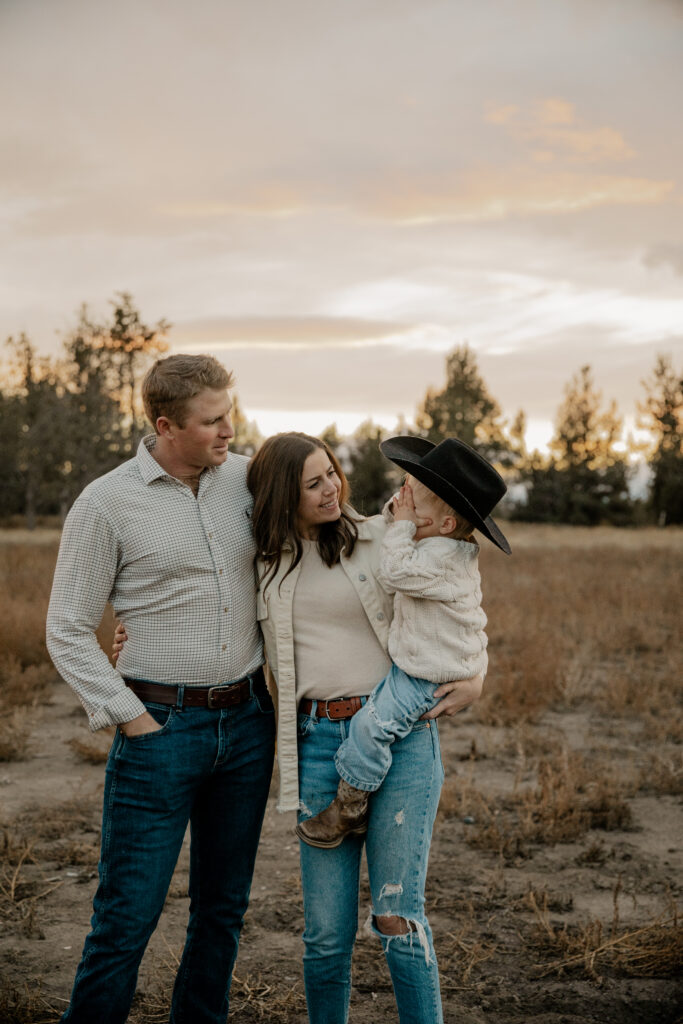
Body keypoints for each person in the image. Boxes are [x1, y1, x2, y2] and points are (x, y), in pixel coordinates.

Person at [46, 354, 275, 1024]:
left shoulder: (247, 479)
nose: (228, 430)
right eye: (212, 422)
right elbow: (65, 627)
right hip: (159, 731)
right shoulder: (106, 502)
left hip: (246, 724)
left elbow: (318, 542)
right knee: (125, 920)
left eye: (230, 414)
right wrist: (130, 717)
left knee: (223, 912)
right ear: (164, 424)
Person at [245, 431, 485, 1024]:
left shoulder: (382, 539)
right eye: (313, 483)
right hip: (316, 742)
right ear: (283, 494)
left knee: (397, 917)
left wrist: (478, 671)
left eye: (333, 474)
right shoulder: (261, 562)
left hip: (399, 738)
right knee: (325, 934)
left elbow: (455, 607)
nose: (332, 489)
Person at [297, 435, 510, 849]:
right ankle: (356, 798)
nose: (401, 501)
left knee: (371, 726)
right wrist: (405, 518)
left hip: (425, 674)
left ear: (444, 524)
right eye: (404, 489)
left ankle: (352, 802)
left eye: (415, 501)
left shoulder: (440, 558)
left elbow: (394, 571)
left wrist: (401, 526)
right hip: (418, 665)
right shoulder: (436, 543)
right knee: (374, 725)